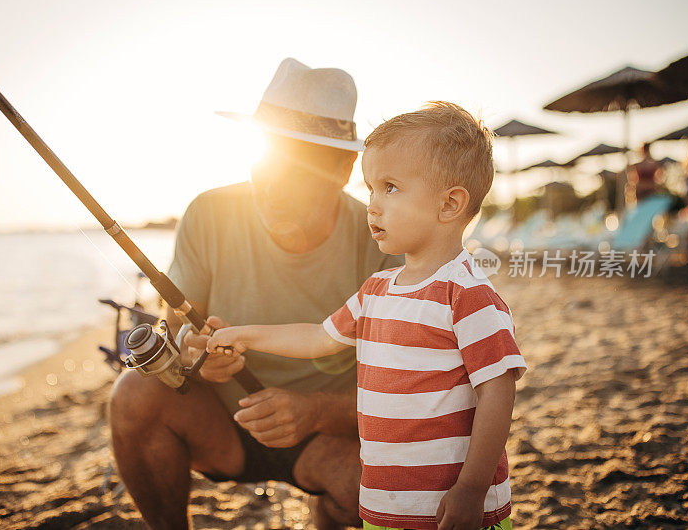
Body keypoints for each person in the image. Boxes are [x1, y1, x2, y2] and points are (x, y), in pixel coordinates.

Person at [109, 58, 402, 530]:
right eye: (266, 160)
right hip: (222, 426)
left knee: (389, 490)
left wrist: (317, 412)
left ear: (346, 168)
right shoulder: (207, 213)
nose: (270, 186)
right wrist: (193, 356)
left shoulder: (384, 244)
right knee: (133, 394)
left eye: (297, 168)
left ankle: (325, 511)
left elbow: (407, 386)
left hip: (329, 436)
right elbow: (179, 330)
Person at [207, 102, 528, 530]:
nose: (372, 205)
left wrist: (471, 487)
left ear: (450, 204)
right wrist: (245, 334)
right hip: (385, 505)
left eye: (390, 188)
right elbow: (316, 339)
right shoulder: (377, 290)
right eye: (370, 188)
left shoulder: (468, 296)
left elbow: (497, 392)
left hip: (453, 507)